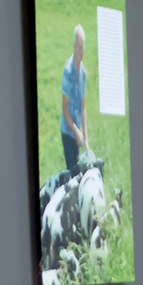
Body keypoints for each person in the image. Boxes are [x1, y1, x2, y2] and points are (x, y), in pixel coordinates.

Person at [60, 24, 88, 174]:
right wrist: (77, 132)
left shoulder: (83, 73)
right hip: (68, 131)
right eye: (78, 45)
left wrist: (86, 141)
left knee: (81, 172)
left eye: (82, 46)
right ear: (73, 45)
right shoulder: (68, 71)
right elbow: (65, 109)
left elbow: (83, 107)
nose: (80, 50)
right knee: (73, 175)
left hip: (77, 132)